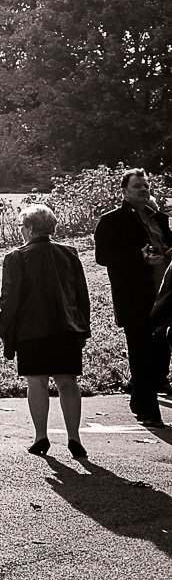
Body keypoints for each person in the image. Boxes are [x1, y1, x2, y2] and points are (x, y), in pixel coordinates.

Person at [0, 204, 91, 458]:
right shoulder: (70, 253)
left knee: (37, 382)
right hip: (67, 326)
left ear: (28, 228)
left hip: (32, 329)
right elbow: (81, 293)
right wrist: (84, 326)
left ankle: (41, 435)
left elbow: (10, 298)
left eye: (21, 226)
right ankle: (74, 436)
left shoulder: (16, 257)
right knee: (68, 382)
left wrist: (5, 329)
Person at [94, 169, 172, 427]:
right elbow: (103, 257)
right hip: (135, 295)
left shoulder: (159, 218)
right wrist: (139, 257)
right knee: (141, 351)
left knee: (161, 347)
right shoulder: (112, 220)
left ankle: (142, 398)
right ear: (124, 191)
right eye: (137, 186)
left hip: (165, 293)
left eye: (146, 186)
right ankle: (148, 410)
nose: (144, 190)